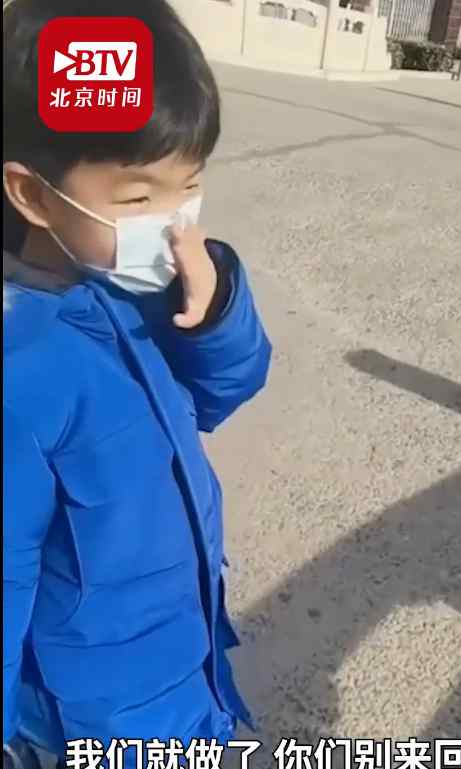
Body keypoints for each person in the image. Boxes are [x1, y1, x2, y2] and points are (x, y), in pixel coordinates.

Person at [2, 0, 271, 766]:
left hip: (182, 668)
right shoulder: (20, 368)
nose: (174, 222)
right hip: (97, 722)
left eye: (190, 187)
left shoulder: (133, 286)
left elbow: (222, 392)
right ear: (32, 194)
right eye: (139, 198)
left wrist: (215, 309)